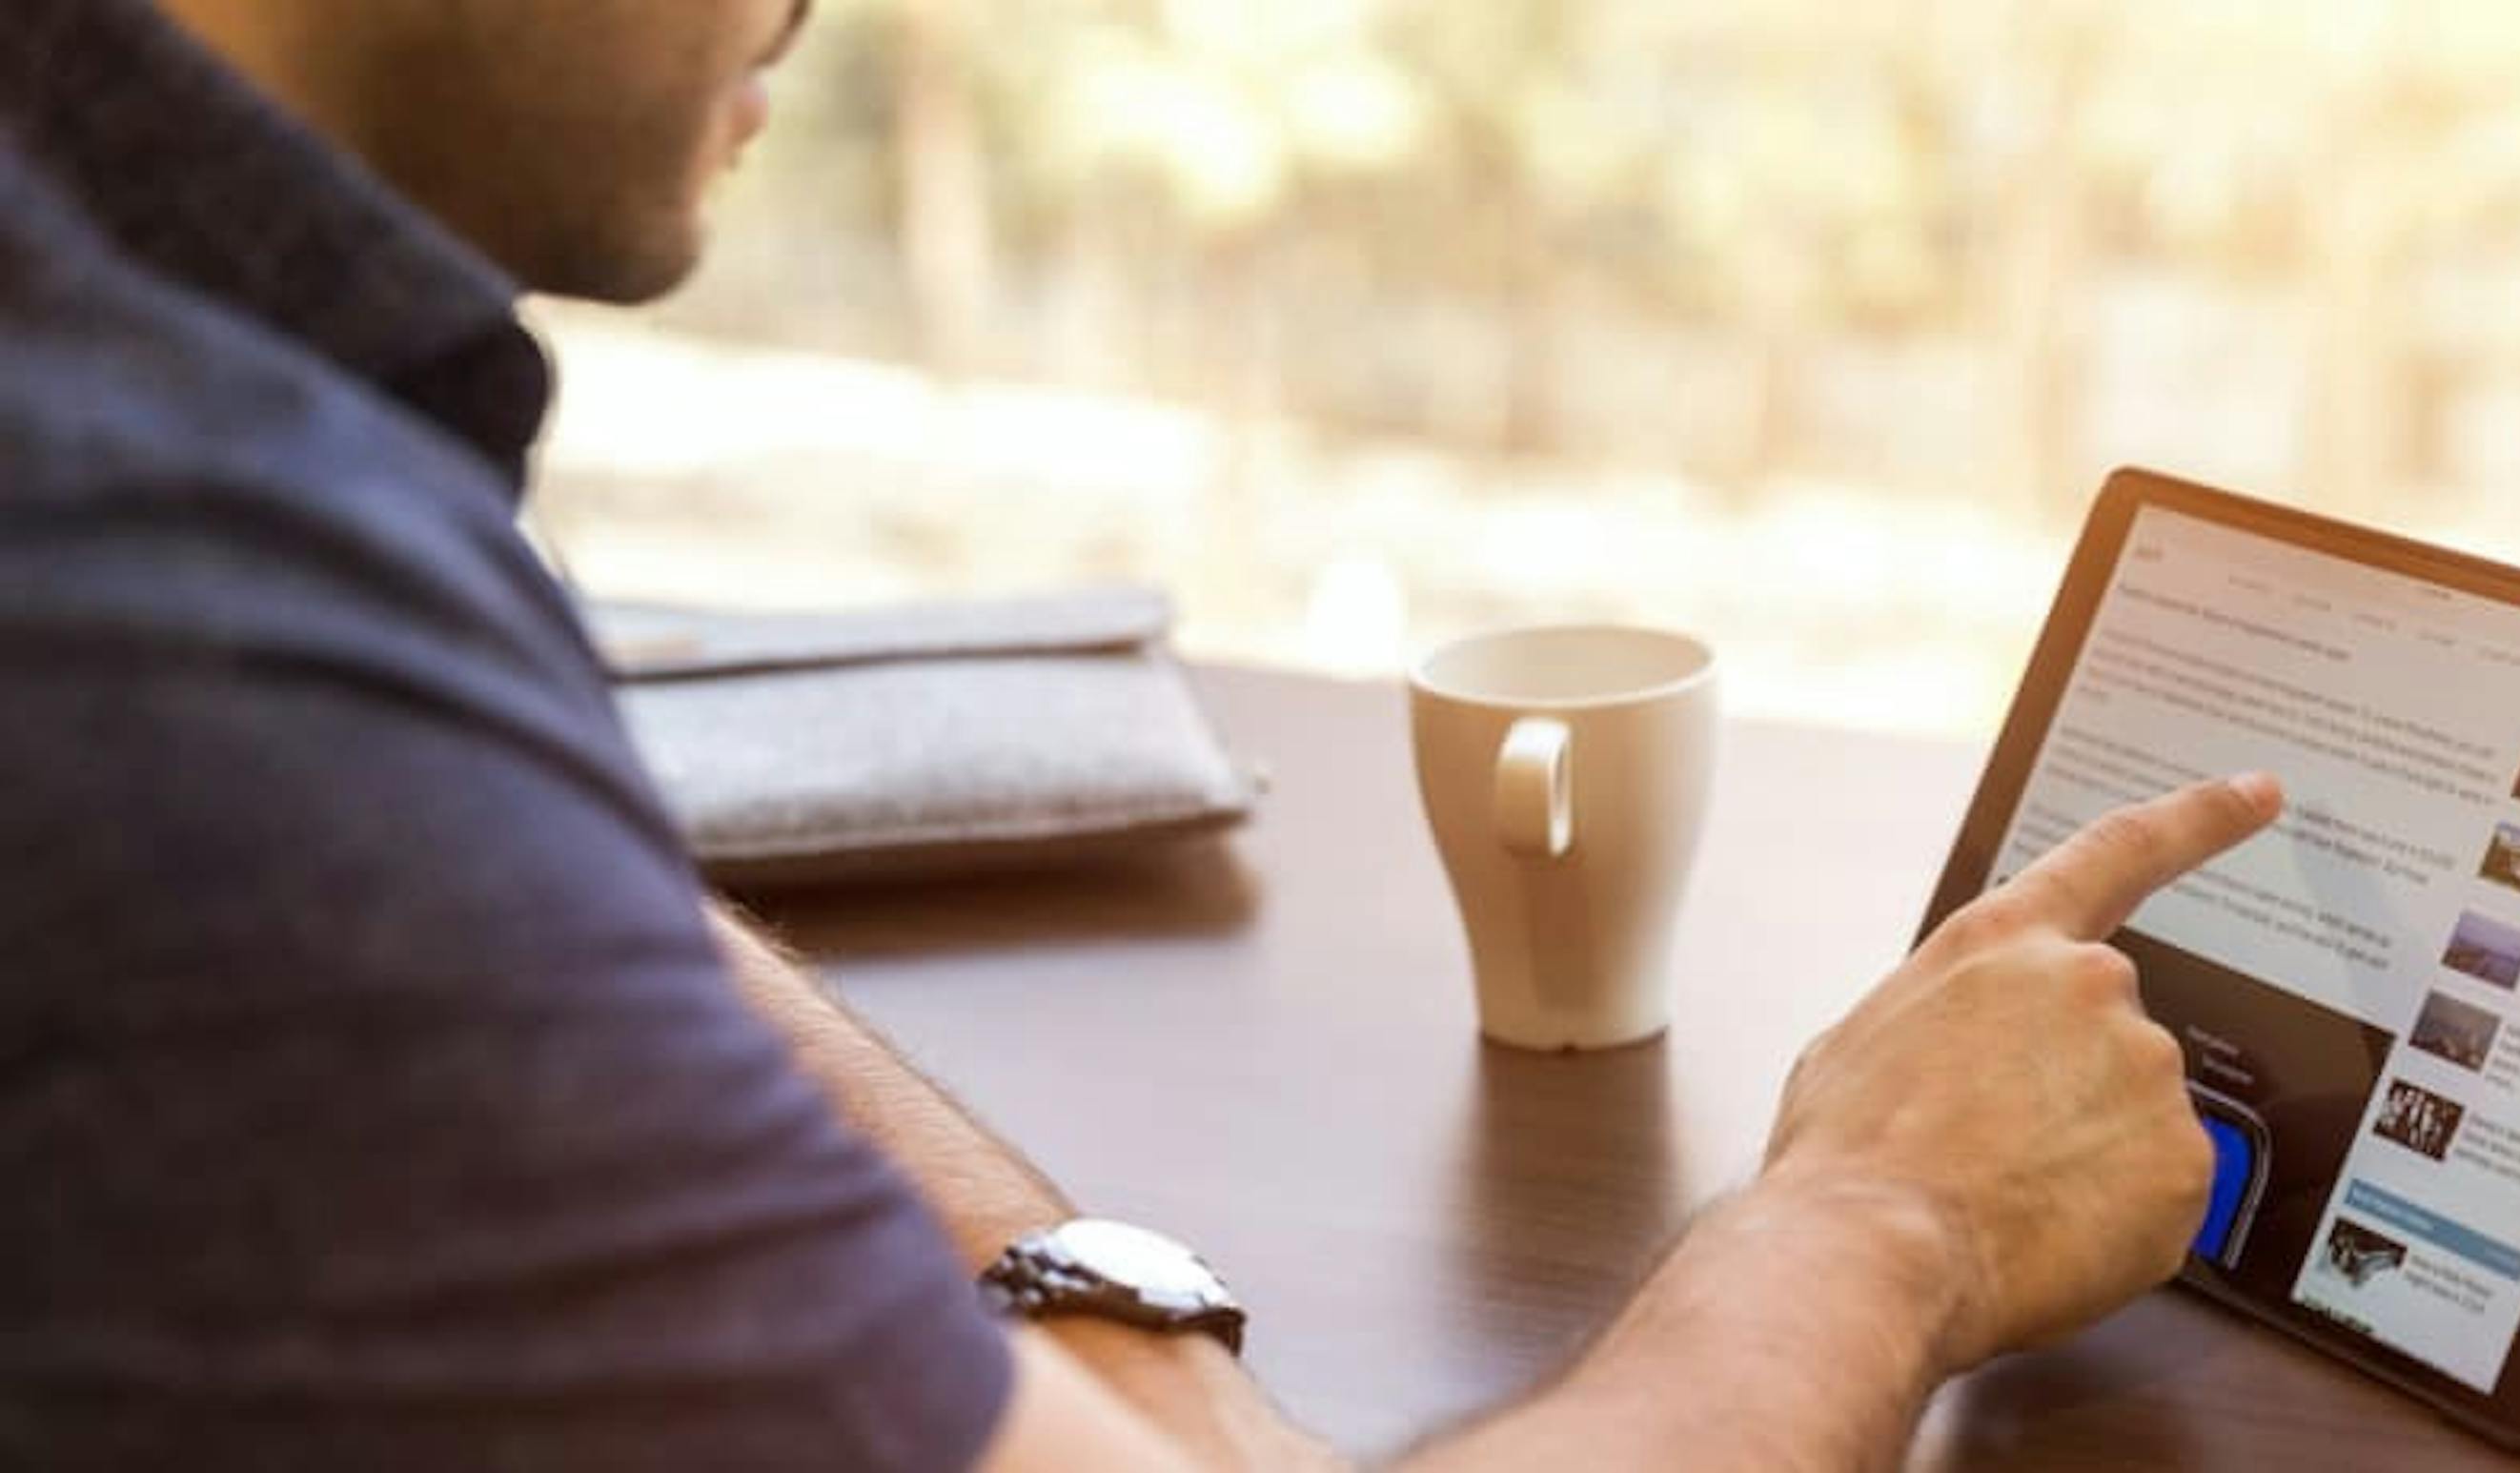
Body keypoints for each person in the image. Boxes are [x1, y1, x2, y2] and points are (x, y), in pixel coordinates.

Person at [0, 1, 2285, 1467]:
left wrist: (1108, 1330)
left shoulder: (167, 406)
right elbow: (342, 842)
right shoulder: (158, 613)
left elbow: (500, 896)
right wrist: (1881, 1215)